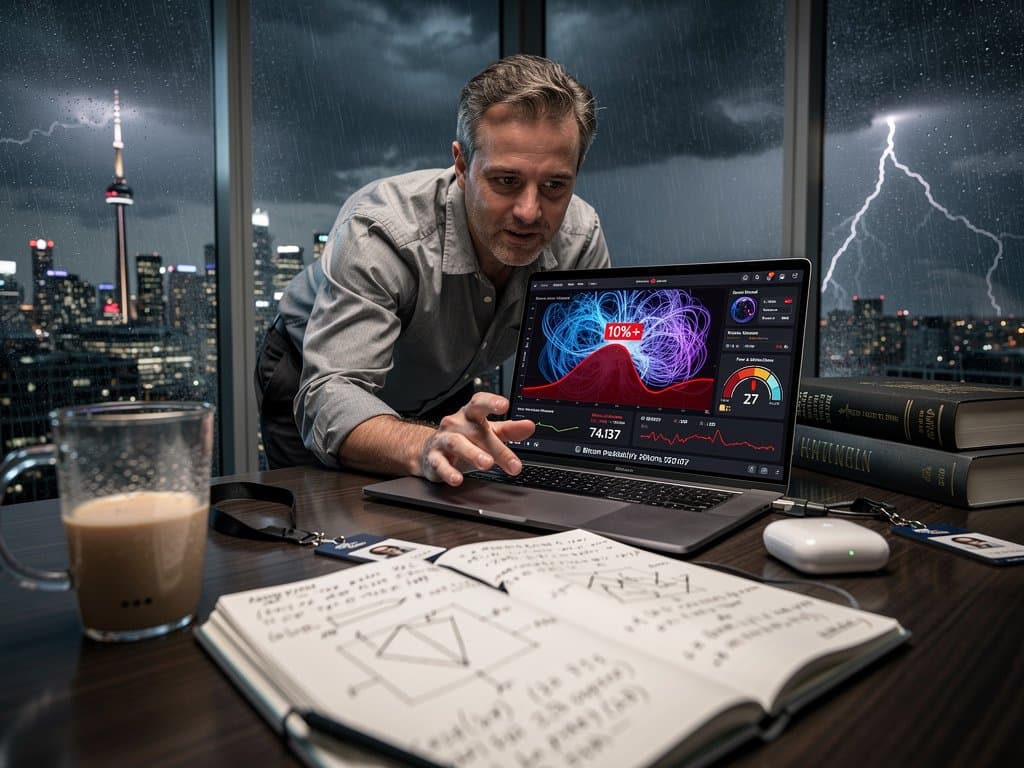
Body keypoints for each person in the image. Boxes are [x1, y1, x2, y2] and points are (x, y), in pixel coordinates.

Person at [256, 54, 610, 484]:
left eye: (555, 185)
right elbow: (332, 395)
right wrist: (422, 445)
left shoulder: (581, 236)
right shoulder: (382, 230)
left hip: (442, 379)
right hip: (316, 376)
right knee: (334, 519)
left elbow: (577, 384)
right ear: (461, 166)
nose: (530, 211)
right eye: (505, 181)